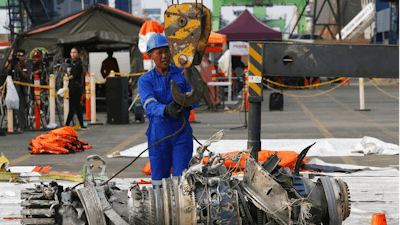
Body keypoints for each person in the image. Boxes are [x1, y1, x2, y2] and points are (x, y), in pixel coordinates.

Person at [138, 33, 199, 188]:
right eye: (159, 53)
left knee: (182, 179)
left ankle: (181, 210)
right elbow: (149, 105)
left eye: (167, 51)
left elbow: (196, 96)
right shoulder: (145, 80)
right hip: (158, 134)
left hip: (181, 132)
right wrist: (166, 109)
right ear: (150, 55)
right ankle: (162, 210)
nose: (164, 56)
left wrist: (187, 104)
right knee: (159, 180)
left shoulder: (182, 73)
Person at [6, 49, 33, 131]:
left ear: (24, 57)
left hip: (23, 88)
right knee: (11, 106)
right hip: (13, 88)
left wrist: (20, 69)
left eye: (21, 56)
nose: (20, 58)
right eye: (18, 56)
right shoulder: (13, 64)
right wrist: (11, 64)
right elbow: (7, 73)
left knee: (22, 107)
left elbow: (27, 77)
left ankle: (23, 124)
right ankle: (12, 125)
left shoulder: (28, 66)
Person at [65, 47, 87, 130]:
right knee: (77, 107)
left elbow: (75, 74)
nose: (73, 54)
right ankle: (81, 124)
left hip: (76, 87)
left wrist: (69, 76)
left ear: (78, 54)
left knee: (73, 106)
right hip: (73, 86)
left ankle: (67, 125)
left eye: (74, 52)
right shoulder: (72, 62)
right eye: (71, 52)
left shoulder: (78, 63)